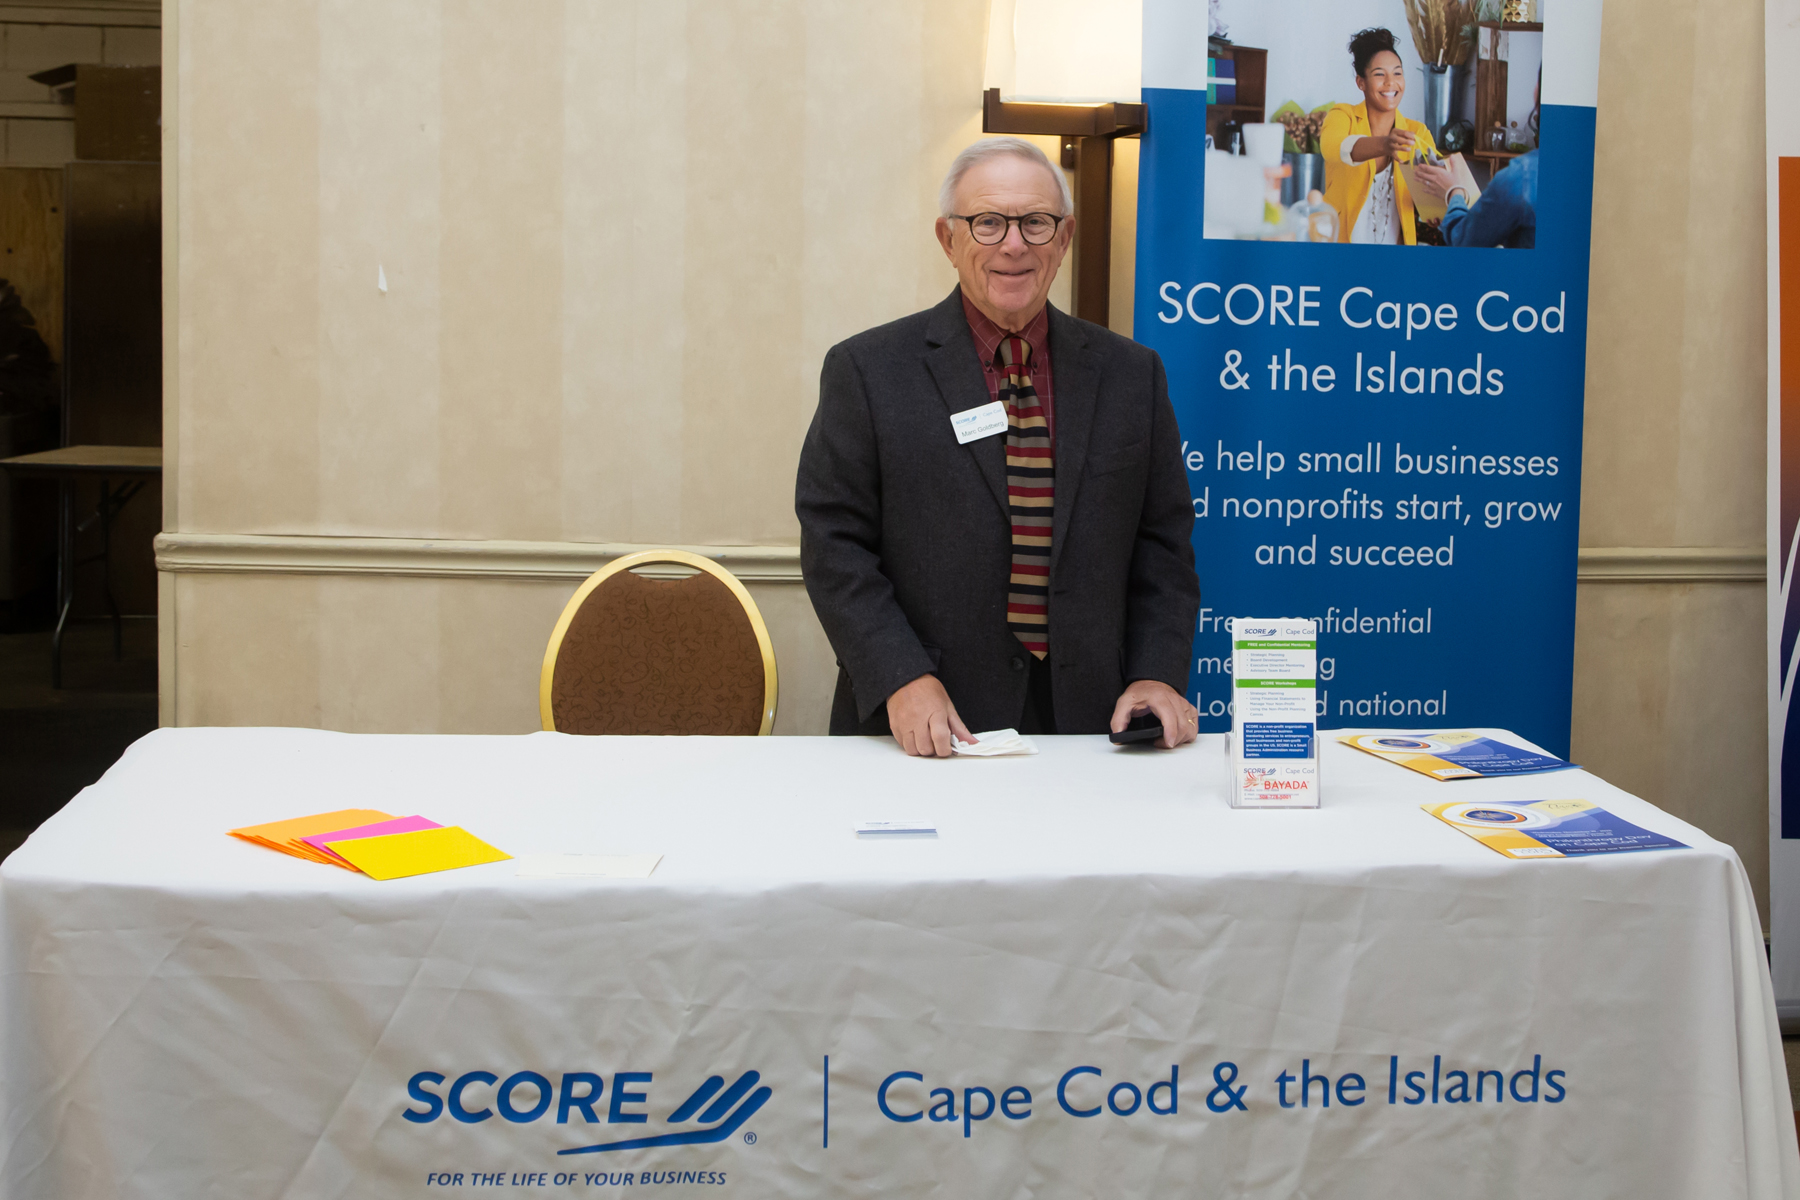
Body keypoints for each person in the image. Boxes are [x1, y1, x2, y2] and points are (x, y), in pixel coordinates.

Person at [795, 137, 1201, 757]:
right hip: (926, 726)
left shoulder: (1132, 375)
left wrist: (1157, 673)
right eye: (988, 222)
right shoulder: (868, 371)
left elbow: (1163, 546)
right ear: (948, 239)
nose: (1014, 245)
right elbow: (834, 542)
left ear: (1064, 239)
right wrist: (900, 675)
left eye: (1036, 222)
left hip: (1095, 726)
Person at [1319, 27, 1440, 245]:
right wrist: (1384, 145)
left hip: (1393, 258)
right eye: (1379, 74)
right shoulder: (1342, 115)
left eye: (1397, 73)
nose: (1390, 82)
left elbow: (1434, 201)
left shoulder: (1417, 133)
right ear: (1361, 82)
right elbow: (1333, 148)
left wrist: (1439, 204)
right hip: (1339, 251)